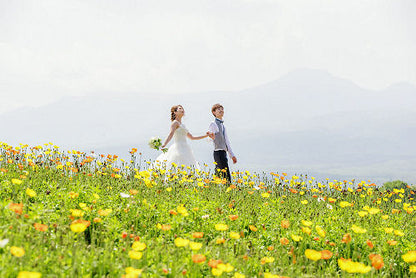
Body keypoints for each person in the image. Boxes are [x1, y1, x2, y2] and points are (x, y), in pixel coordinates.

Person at [155, 105, 213, 170]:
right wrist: (164, 144)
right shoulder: (175, 123)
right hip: (178, 147)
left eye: (183, 109)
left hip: (185, 148)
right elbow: (171, 134)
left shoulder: (182, 125)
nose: (182, 110)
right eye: (180, 108)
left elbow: (192, 137)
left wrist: (206, 135)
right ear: (175, 112)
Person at [208, 103, 237, 183]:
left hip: (223, 153)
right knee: (226, 176)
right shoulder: (213, 124)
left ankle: (209, 189)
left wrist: (232, 155)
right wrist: (211, 136)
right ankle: (229, 191)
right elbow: (210, 138)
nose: (221, 110)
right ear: (214, 112)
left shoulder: (223, 126)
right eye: (218, 109)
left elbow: (227, 142)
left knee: (217, 175)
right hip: (218, 152)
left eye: (222, 109)